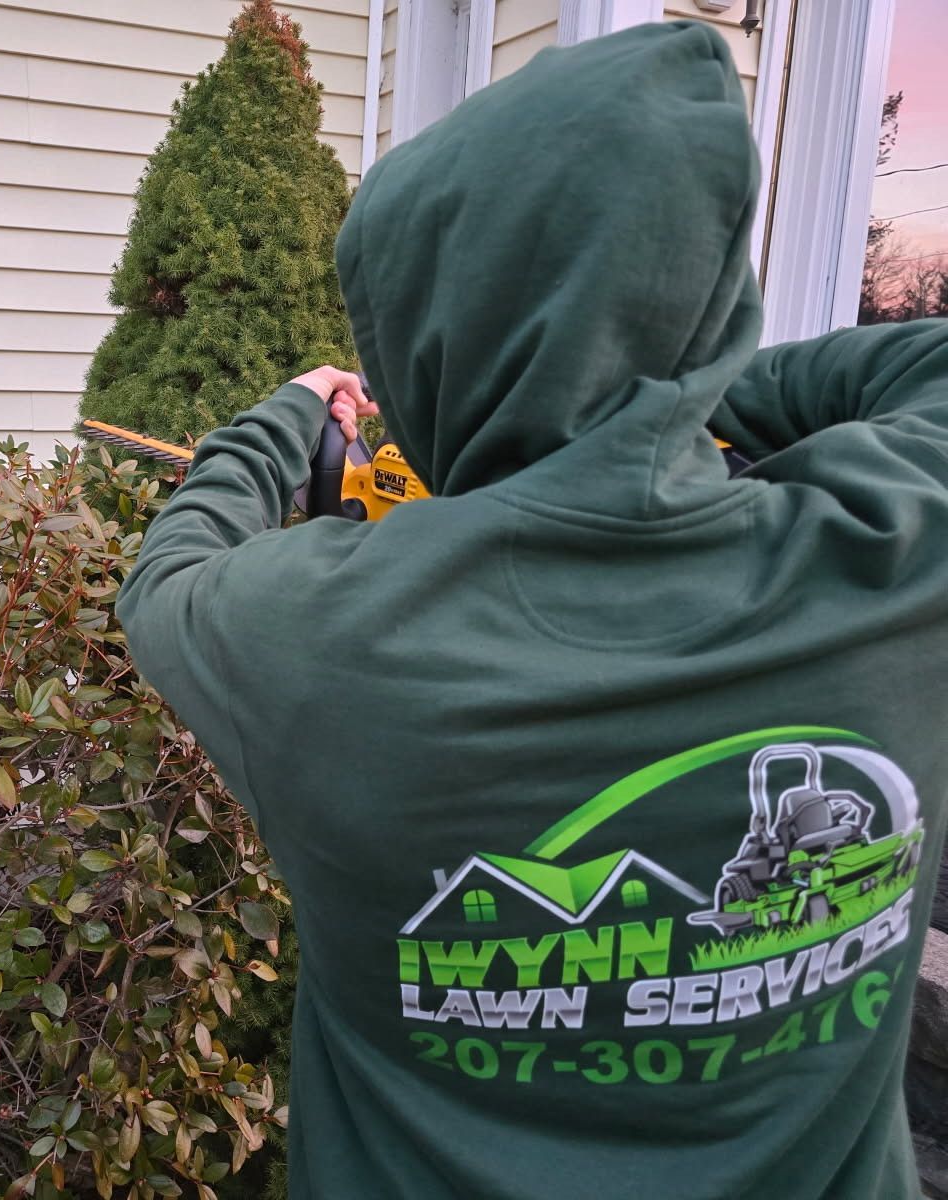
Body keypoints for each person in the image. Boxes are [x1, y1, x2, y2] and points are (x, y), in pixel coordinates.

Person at [116, 19, 948, 1200]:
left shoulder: (312, 641)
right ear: (710, 299)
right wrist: (661, 385)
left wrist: (286, 417)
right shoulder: (900, 552)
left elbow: (164, 577)